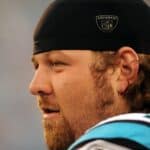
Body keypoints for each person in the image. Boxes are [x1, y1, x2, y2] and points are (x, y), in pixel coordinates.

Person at [29, 0, 150, 149]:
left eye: (56, 63)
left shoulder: (105, 145)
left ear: (124, 69)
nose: (34, 86)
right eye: (36, 66)